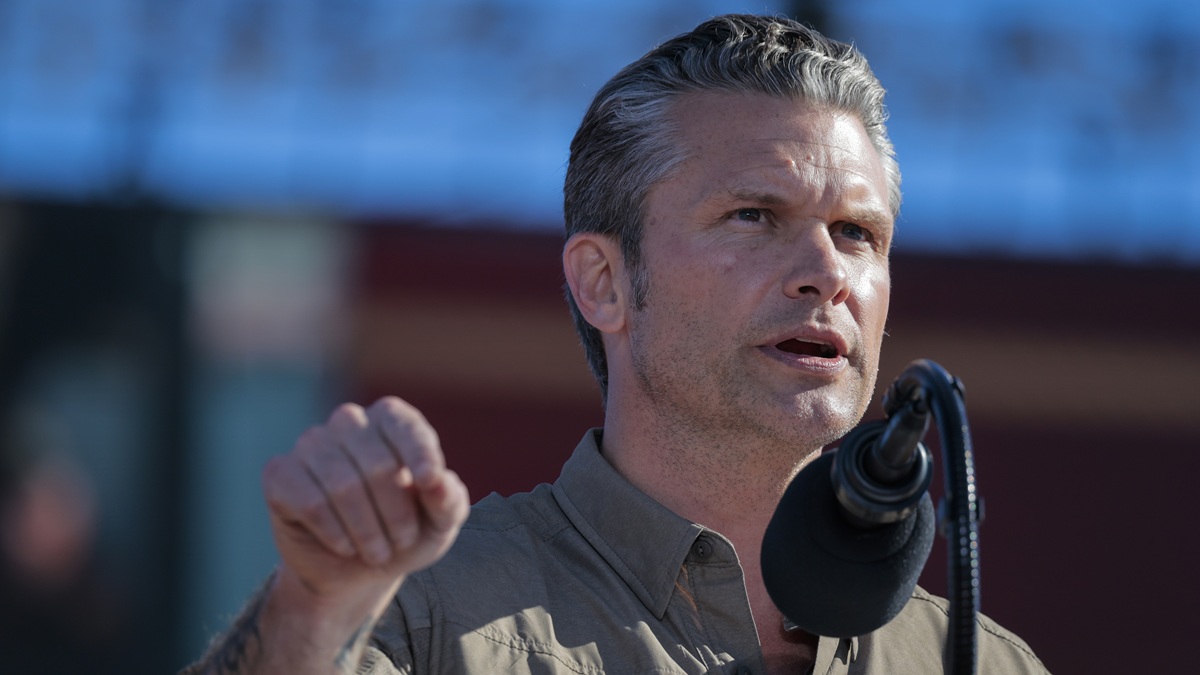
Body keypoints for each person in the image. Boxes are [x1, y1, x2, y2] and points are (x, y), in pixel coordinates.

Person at [185, 14, 1048, 675]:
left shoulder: (983, 660)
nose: (826, 271)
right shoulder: (421, 618)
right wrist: (310, 610)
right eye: (754, 215)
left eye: (859, 232)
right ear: (602, 281)